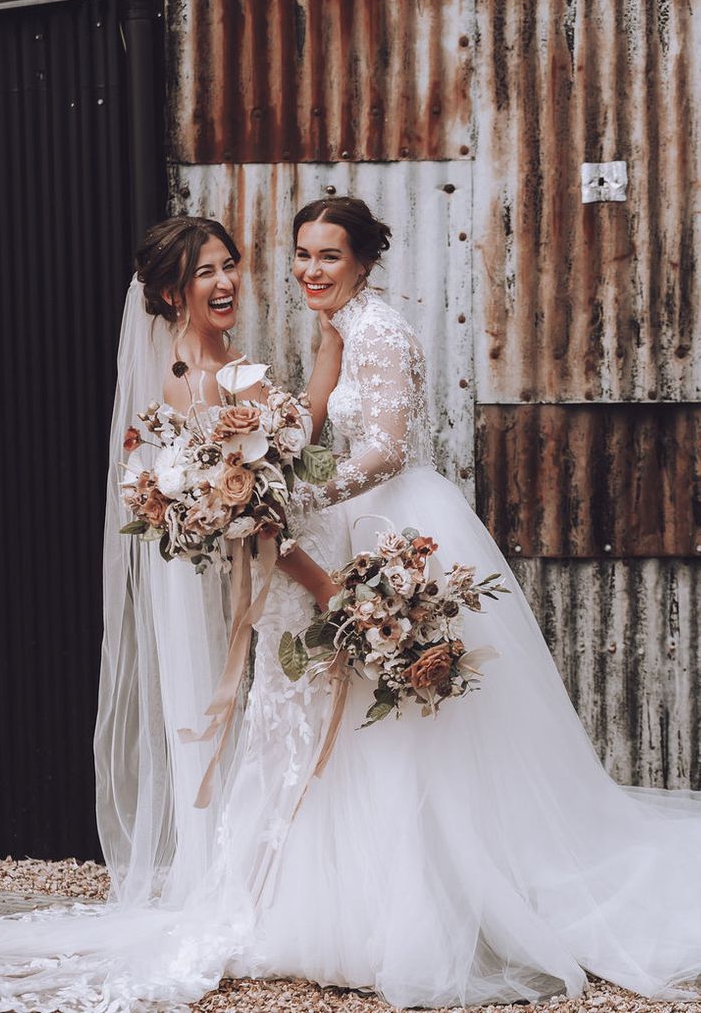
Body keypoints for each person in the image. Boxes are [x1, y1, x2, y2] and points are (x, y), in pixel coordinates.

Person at [238, 196, 701, 1008]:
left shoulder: (381, 331)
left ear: (364, 264)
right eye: (302, 255)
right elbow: (315, 422)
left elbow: (381, 448)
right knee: (350, 705)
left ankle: (444, 905)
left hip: (394, 518)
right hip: (347, 512)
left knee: (413, 715)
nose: (311, 270)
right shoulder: (337, 323)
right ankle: (361, 901)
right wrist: (267, 471)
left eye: (328, 258)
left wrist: (303, 502)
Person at [0, 217, 348, 1011]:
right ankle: (272, 889)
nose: (223, 283)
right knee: (287, 732)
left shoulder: (196, 373)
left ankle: (268, 879)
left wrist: (322, 366)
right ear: (166, 292)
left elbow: (272, 476)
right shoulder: (210, 382)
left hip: (257, 582)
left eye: (228, 265)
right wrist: (327, 587)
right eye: (201, 274)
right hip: (276, 583)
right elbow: (261, 516)